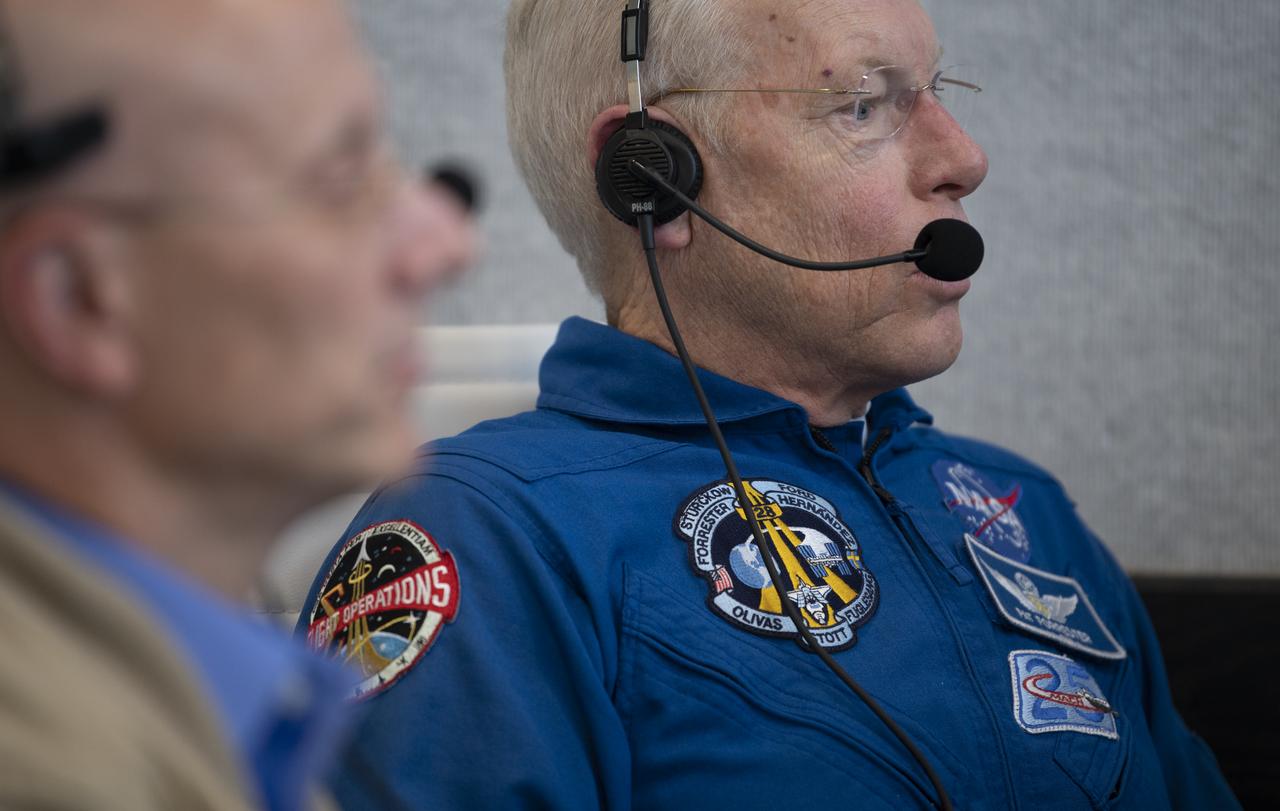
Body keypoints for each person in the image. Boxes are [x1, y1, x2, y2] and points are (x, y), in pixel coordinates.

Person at [298, 0, 1238, 808]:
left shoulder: (1022, 508)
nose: (965, 159)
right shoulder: (487, 531)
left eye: (940, 96)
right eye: (863, 104)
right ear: (652, 180)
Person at [0, 0, 474, 808]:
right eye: (340, 181)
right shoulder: (62, 779)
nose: (446, 246)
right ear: (78, 297)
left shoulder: (181, 721)